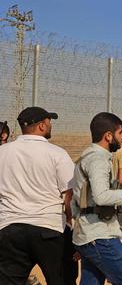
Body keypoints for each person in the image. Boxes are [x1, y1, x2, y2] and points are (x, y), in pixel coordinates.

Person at [0, 107, 76, 285]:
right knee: (62, 279)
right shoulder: (57, 153)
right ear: (42, 126)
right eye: (49, 123)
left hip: (10, 229)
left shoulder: (3, 152)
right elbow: (69, 196)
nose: (50, 126)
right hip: (49, 229)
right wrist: (70, 222)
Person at [71, 112, 122, 284]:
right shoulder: (97, 159)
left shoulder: (86, 157)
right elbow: (101, 196)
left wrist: (83, 238)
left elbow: (74, 202)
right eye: (120, 133)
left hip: (90, 236)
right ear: (108, 136)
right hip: (101, 237)